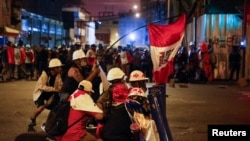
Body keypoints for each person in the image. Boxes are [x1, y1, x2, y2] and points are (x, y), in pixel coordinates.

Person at [28, 58, 63, 127]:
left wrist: (60, 89)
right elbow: (41, 86)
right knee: (41, 107)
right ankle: (32, 118)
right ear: (54, 68)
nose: (60, 69)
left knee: (56, 107)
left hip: (50, 93)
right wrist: (54, 89)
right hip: (41, 93)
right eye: (58, 67)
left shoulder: (58, 75)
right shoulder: (45, 74)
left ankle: (50, 123)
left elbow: (59, 84)